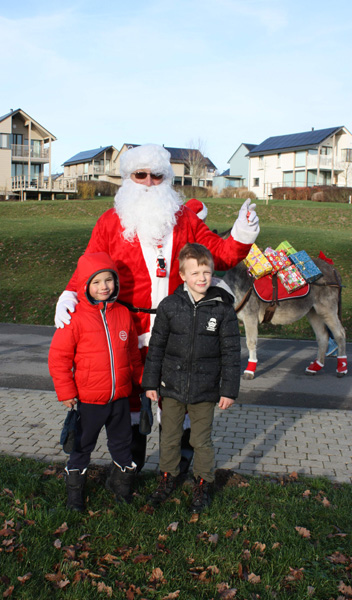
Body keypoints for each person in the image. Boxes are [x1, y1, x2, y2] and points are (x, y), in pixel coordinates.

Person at [54, 144, 259, 471]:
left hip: (178, 325)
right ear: (128, 178)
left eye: (157, 175)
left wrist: (241, 233)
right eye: (141, 174)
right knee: (131, 400)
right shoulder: (110, 222)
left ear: (167, 178)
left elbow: (219, 255)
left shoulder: (185, 219)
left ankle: (177, 467)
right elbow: (91, 266)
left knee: (179, 397)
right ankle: (130, 465)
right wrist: (70, 293)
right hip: (128, 326)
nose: (149, 182)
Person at [142, 243, 241, 513]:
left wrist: (228, 390)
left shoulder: (223, 309)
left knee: (201, 440)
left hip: (205, 391)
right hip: (171, 388)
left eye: (206, 272)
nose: (202, 278)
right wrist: (150, 383)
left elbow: (231, 353)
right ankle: (168, 477)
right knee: (170, 437)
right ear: (183, 275)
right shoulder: (170, 306)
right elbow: (157, 346)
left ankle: (203, 482)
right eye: (195, 273)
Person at [48, 252, 143, 510]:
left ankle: (122, 491)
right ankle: (75, 498)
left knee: (123, 445)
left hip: (120, 399)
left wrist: (144, 382)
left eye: (108, 280)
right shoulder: (74, 318)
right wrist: (66, 391)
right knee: (81, 447)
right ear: (85, 286)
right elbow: (58, 358)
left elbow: (133, 354)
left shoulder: (123, 313)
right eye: (96, 281)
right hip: (89, 400)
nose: (104, 287)